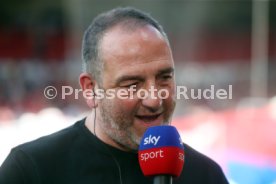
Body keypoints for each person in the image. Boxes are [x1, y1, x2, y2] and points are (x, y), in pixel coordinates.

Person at [0, 7, 229, 184]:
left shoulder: (206, 175)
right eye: (132, 84)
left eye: (164, 78)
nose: (154, 99)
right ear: (91, 89)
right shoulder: (31, 171)